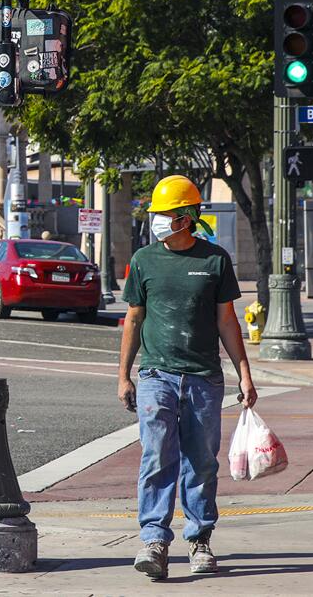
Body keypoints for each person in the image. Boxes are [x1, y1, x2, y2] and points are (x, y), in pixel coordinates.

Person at [118, 174, 257, 580]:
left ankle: (199, 540)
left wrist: (244, 375)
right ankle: (155, 541)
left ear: (185, 217)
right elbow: (133, 320)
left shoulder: (215, 260)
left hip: (203, 380)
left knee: (201, 462)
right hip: (156, 376)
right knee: (157, 456)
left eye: (164, 214)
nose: (157, 221)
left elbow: (228, 322)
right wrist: (124, 376)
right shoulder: (144, 260)